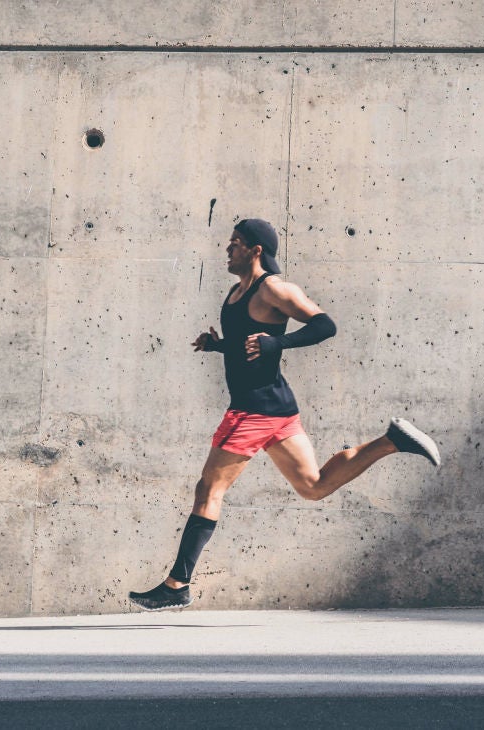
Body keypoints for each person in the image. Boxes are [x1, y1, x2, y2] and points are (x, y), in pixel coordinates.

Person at [128, 218, 441, 611]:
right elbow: (249, 345)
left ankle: (177, 585)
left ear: (256, 250)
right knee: (313, 486)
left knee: (209, 491)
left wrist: (280, 342)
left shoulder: (273, 288)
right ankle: (392, 440)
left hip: (252, 411)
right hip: (277, 409)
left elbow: (325, 325)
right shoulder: (235, 291)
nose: (228, 248)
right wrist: (217, 347)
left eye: (236, 243)